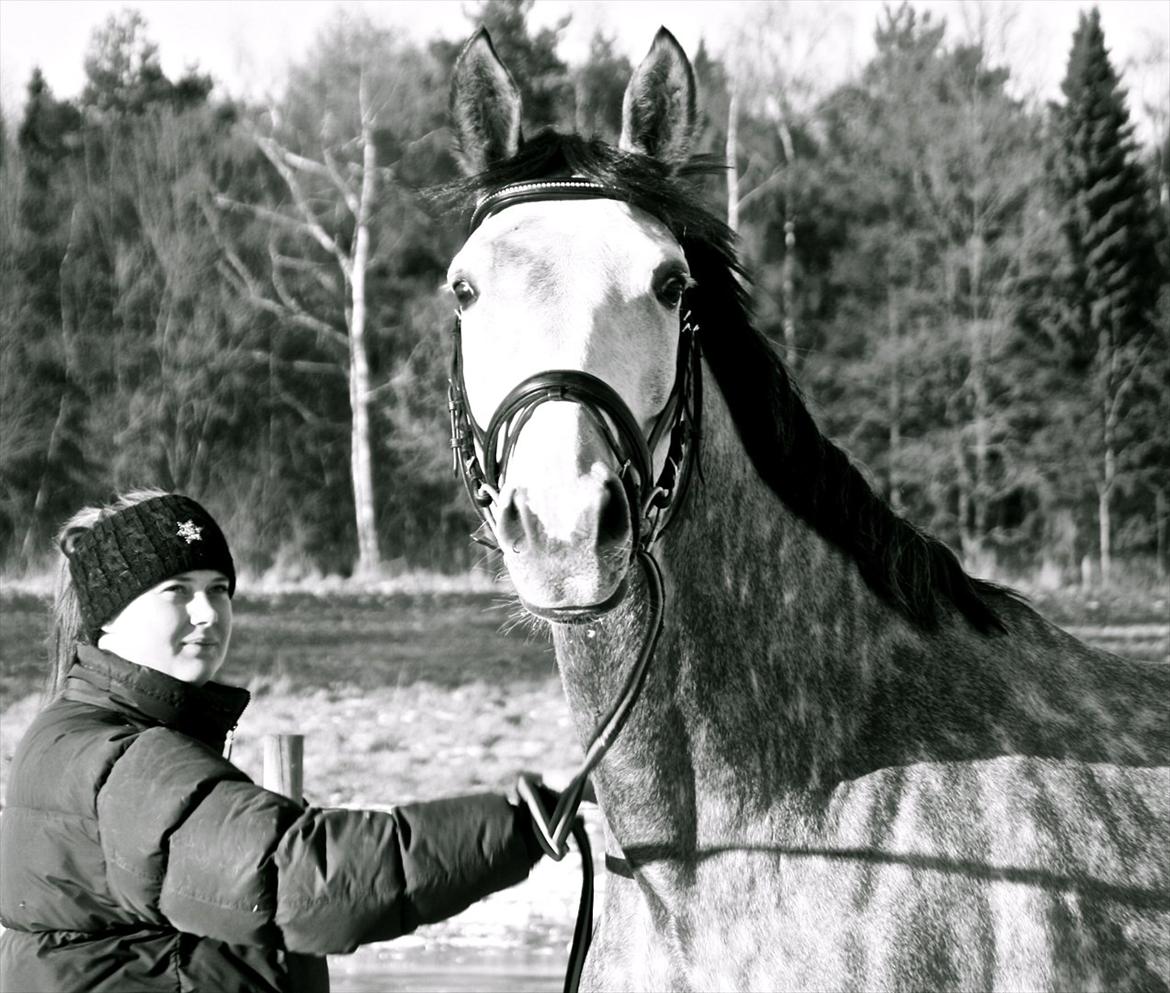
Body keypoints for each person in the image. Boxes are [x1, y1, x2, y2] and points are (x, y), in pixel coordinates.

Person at [0, 489, 556, 993]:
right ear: (107, 621)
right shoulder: (117, 759)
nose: (207, 612)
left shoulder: (86, 732)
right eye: (176, 591)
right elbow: (295, 880)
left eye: (218, 589)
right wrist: (513, 828)